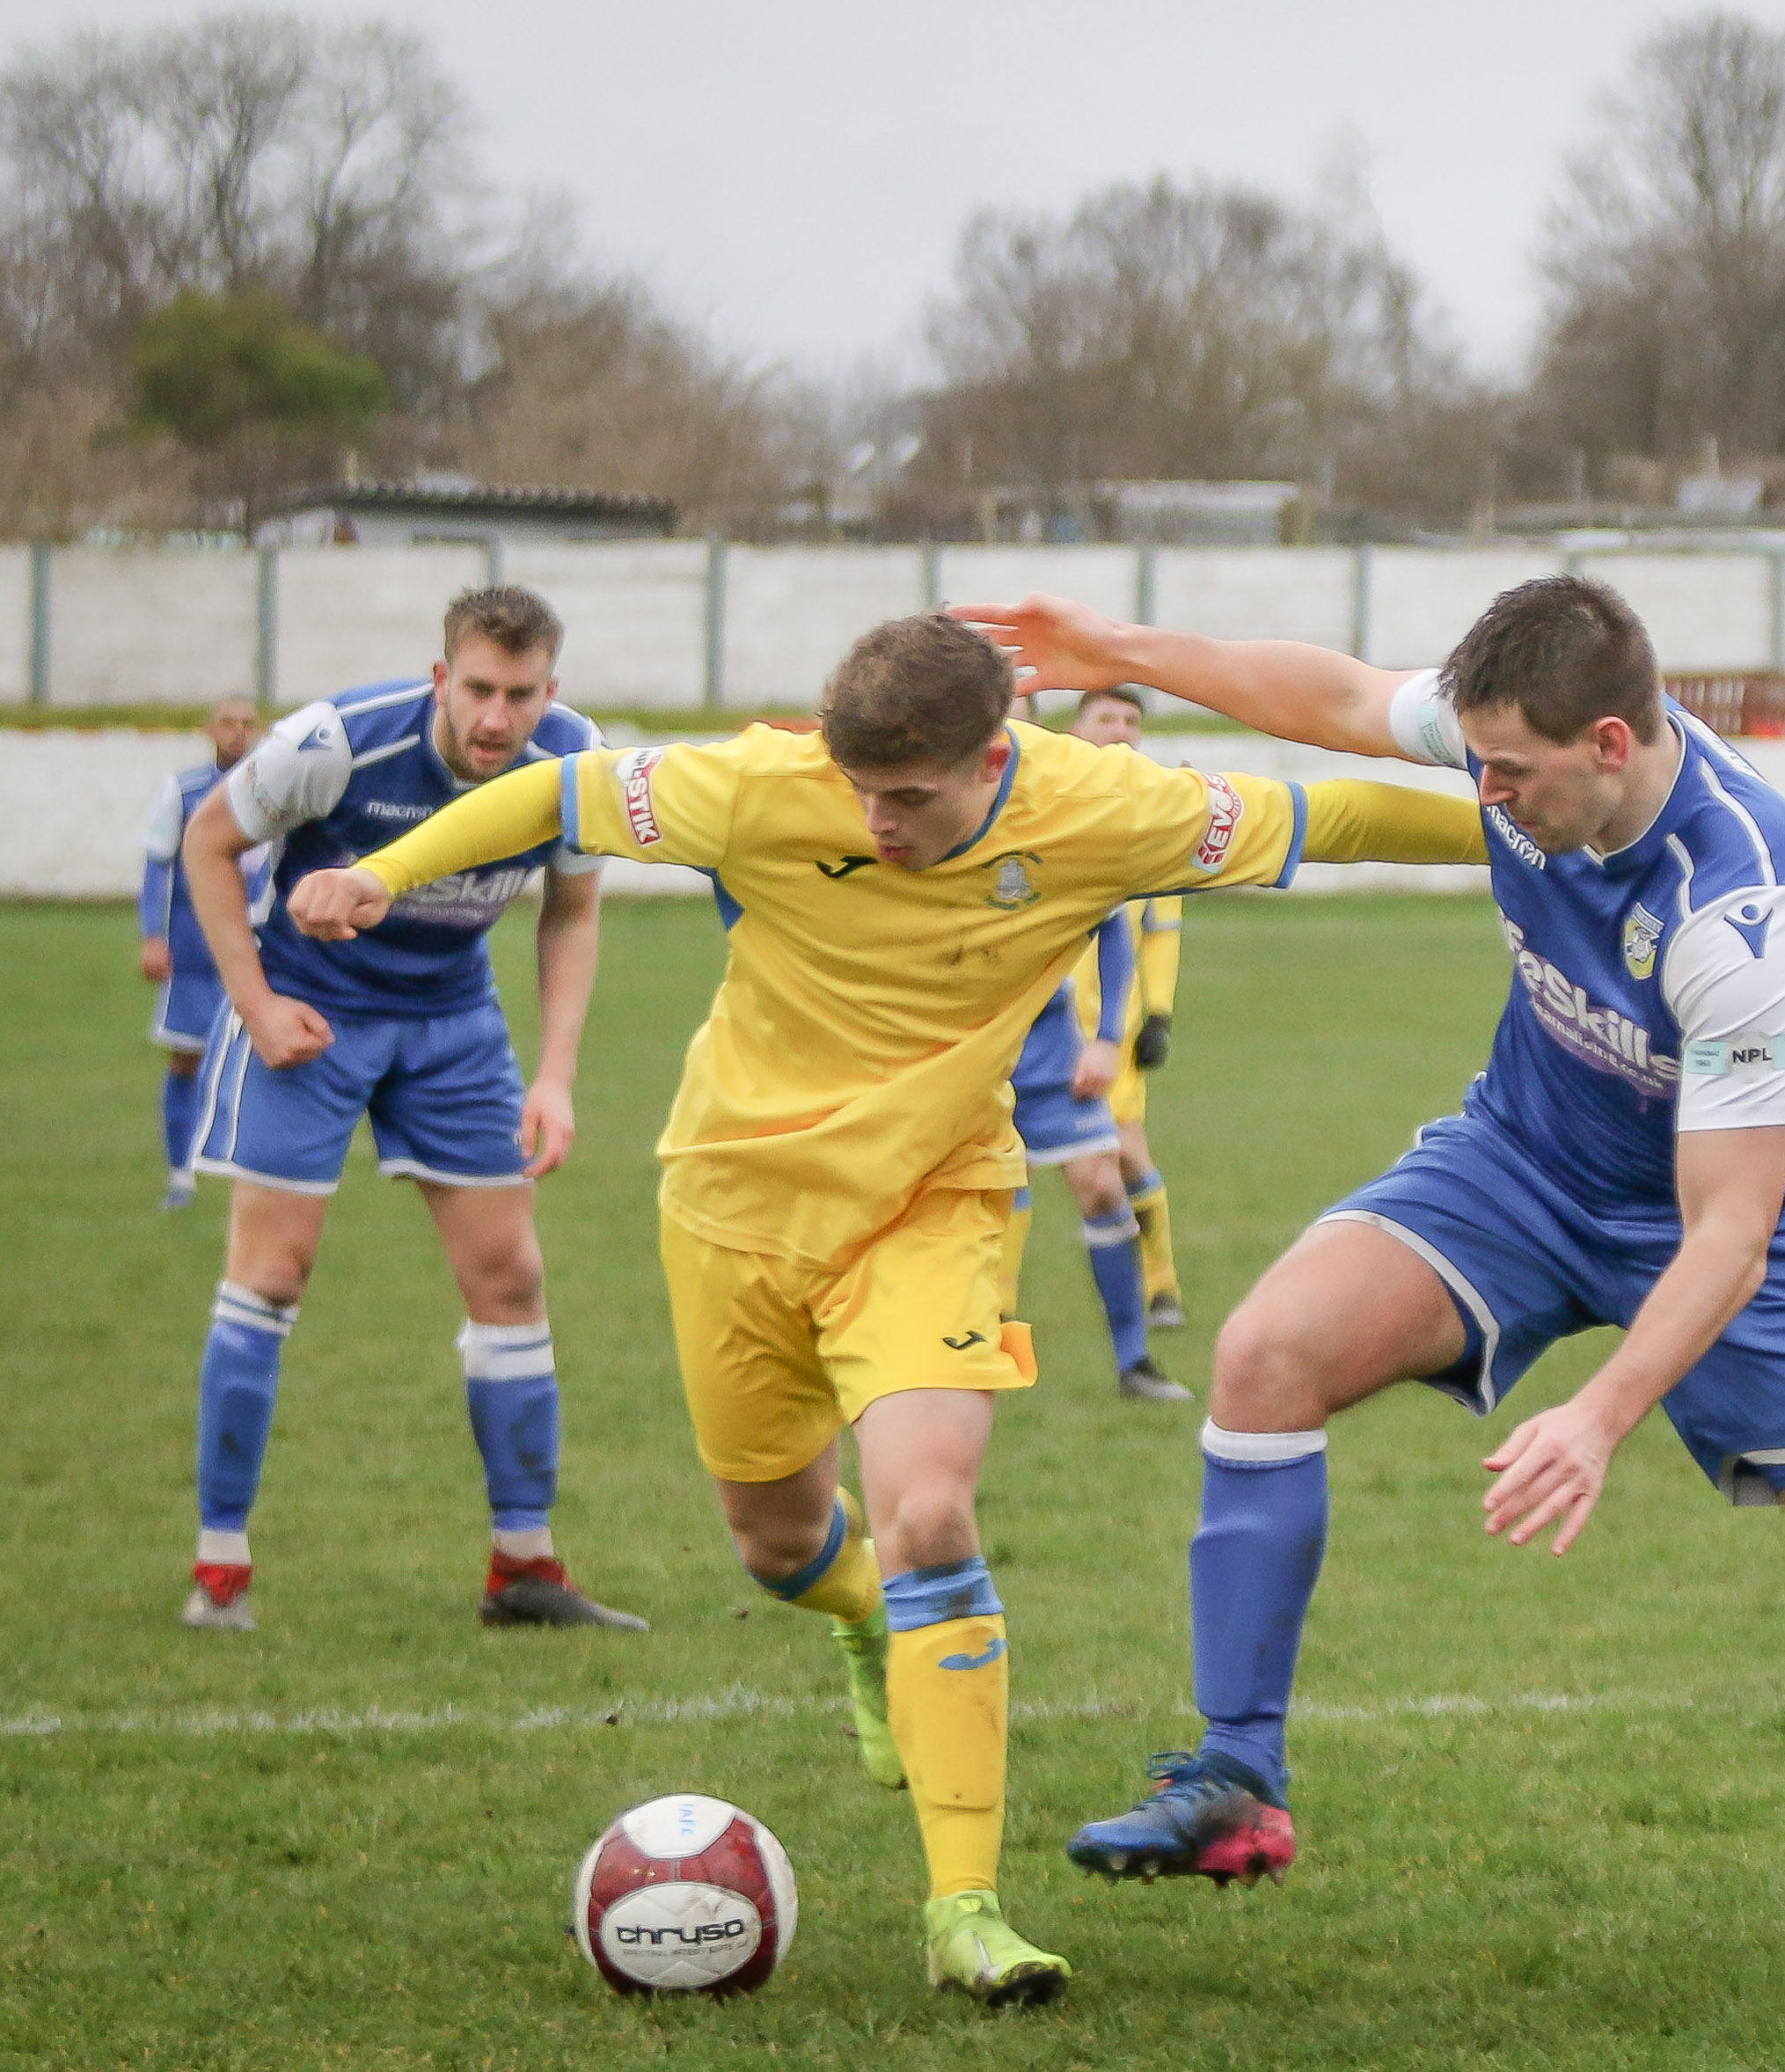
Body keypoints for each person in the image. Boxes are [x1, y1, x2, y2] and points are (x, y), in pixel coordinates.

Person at [962, 575, 1785, 2021]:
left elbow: (1729, 1232)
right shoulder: (1513, 746)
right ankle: (1236, 1780)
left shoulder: (1742, 901)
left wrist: (1596, 1416)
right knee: (1268, 1351)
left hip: (1735, 1236)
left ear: (1606, 741)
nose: (1488, 796)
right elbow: (1333, 696)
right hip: (1520, 1165)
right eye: (1480, 765)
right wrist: (1120, 650)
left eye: (1511, 774)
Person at [290, 611, 1487, 2007]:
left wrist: (1534, 837)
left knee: (927, 1511)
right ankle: (861, 1617)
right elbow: (560, 790)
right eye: (859, 789)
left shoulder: (1100, 802)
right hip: (733, 1204)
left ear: (996, 754)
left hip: (937, 1205)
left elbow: (1327, 815)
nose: (876, 817)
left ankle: (965, 1910)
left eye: (908, 796)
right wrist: (381, 872)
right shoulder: (764, 780)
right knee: (781, 1541)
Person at [174, 588, 636, 1635]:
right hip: (315, 1013)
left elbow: (571, 913)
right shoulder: (340, 743)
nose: (494, 718)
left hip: (452, 1021)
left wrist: (555, 1075)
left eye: (519, 696)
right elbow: (209, 843)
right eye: (477, 689)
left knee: (512, 1278)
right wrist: (256, 1004)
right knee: (271, 1276)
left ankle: (523, 1568)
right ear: (442, 678)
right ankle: (220, 1574)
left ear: (548, 694)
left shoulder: (572, 763)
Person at [998, 899, 1185, 1402]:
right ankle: (998, 1352)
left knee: (1104, 1187)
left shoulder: (1059, 833)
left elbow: (1111, 921)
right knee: (993, 1194)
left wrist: (1106, 1038)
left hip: (1054, 1048)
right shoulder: (942, 839)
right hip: (973, 1046)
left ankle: (1134, 1362)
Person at [1063, 685, 1190, 1329]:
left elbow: (1160, 926)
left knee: (1125, 1154)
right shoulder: (1049, 802)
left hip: (1111, 1029)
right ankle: (991, 1311)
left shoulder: (1151, 817)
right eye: (1106, 718)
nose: (1119, 729)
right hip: (1033, 1025)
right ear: (1077, 728)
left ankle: (1160, 1284)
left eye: (1130, 720)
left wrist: (1158, 1014)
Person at [141, 692, 263, 1209]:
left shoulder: (277, 787)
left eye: (247, 723)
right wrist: (153, 936)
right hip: (196, 951)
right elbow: (157, 866)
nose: (237, 732)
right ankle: (180, 1175)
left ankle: (253, 1170)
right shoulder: (185, 791)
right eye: (227, 723)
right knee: (187, 1061)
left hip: (261, 948)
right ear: (209, 731)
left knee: (267, 1061)